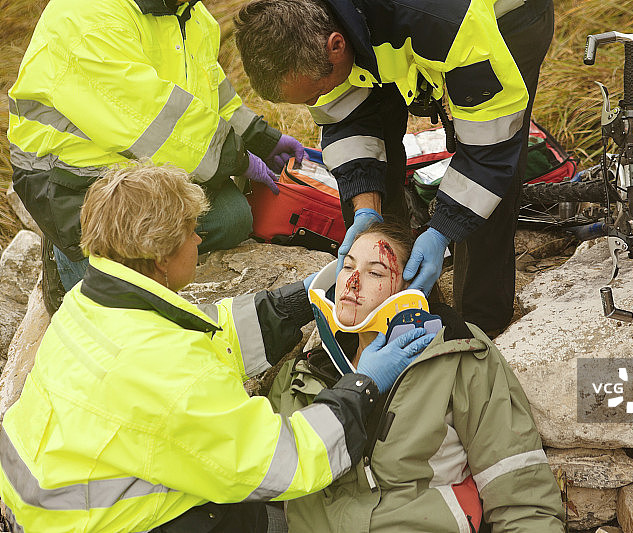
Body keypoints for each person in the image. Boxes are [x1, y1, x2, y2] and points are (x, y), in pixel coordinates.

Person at [0, 161, 435, 533]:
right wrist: (366, 383)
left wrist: (300, 298)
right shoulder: (177, 377)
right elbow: (287, 460)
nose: (199, 240)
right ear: (160, 260)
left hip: (43, 510)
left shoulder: (89, 301)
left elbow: (209, 333)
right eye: (191, 231)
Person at [234, 0, 555, 336]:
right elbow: (347, 116)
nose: (318, 104)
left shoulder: (443, 21)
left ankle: (479, 328)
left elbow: (491, 148)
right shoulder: (307, 28)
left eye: (316, 93)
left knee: (489, 177)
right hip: (388, 26)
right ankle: (402, 311)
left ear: (337, 45)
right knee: (370, 187)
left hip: (497, 19)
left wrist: (443, 230)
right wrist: (365, 208)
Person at [268, 221, 566, 532]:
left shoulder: (459, 356)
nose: (352, 283)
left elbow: (520, 495)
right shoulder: (301, 373)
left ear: (410, 292)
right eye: (348, 266)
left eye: (376, 272)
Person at [7, 0, 306, 299]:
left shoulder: (190, 13)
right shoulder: (87, 17)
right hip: (71, 177)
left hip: (139, 161)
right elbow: (149, 119)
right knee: (110, 294)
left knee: (232, 217)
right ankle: (68, 261)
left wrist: (257, 136)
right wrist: (236, 158)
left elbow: (209, 88)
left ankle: (144, 263)